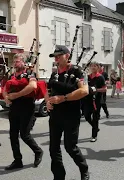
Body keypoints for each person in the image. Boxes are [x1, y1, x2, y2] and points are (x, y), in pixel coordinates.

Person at [46, 45, 90, 180]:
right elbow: (50, 91)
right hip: (55, 115)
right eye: (55, 56)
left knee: (70, 147)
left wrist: (63, 98)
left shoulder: (77, 71)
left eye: (59, 55)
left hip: (71, 115)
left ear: (67, 56)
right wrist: (48, 101)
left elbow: (84, 91)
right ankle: (59, 176)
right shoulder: (54, 73)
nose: (56, 58)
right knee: (53, 149)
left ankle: (84, 169)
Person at [2, 53, 44, 170]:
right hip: (14, 107)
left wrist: (16, 95)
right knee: (13, 135)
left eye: (17, 61)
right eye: (14, 62)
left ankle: (38, 151)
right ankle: (17, 160)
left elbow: (33, 86)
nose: (15, 64)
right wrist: (6, 98)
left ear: (24, 63)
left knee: (25, 135)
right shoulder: (12, 75)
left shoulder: (30, 74)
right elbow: (4, 89)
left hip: (26, 106)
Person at [83, 62, 107, 142]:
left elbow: (105, 89)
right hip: (88, 100)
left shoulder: (100, 77)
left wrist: (96, 90)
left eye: (95, 66)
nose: (93, 67)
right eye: (92, 66)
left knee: (95, 118)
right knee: (86, 116)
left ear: (98, 68)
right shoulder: (88, 77)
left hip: (97, 101)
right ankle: (96, 128)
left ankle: (94, 136)